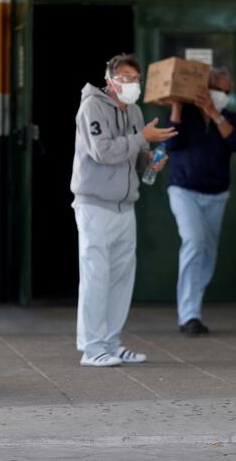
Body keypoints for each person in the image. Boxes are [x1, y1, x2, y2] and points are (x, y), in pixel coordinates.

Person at [70, 54, 178, 367]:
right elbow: (102, 152)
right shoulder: (92, 106)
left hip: (125, 204)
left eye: (136, 79)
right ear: (110, 81)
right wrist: (141, 138)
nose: (133, 84)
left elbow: (136, 155)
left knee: (120, 277)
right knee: (95, 276)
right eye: (126, 78)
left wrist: (152, 161)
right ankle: (92, 349)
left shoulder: (135, 111)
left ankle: (112, 343)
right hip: (94, 204)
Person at [160, 67, 236, 336]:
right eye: (219, 90)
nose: (224, 95)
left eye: (228, 92)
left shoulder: (230, 117)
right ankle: (189, 315)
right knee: (194, 241)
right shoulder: (185, 114)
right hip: (183, 189)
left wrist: (214, 112)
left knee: (207, 253)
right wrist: (176, 106)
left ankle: (192, 309)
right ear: (206, 89)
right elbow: (171, 144)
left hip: (216, 193)